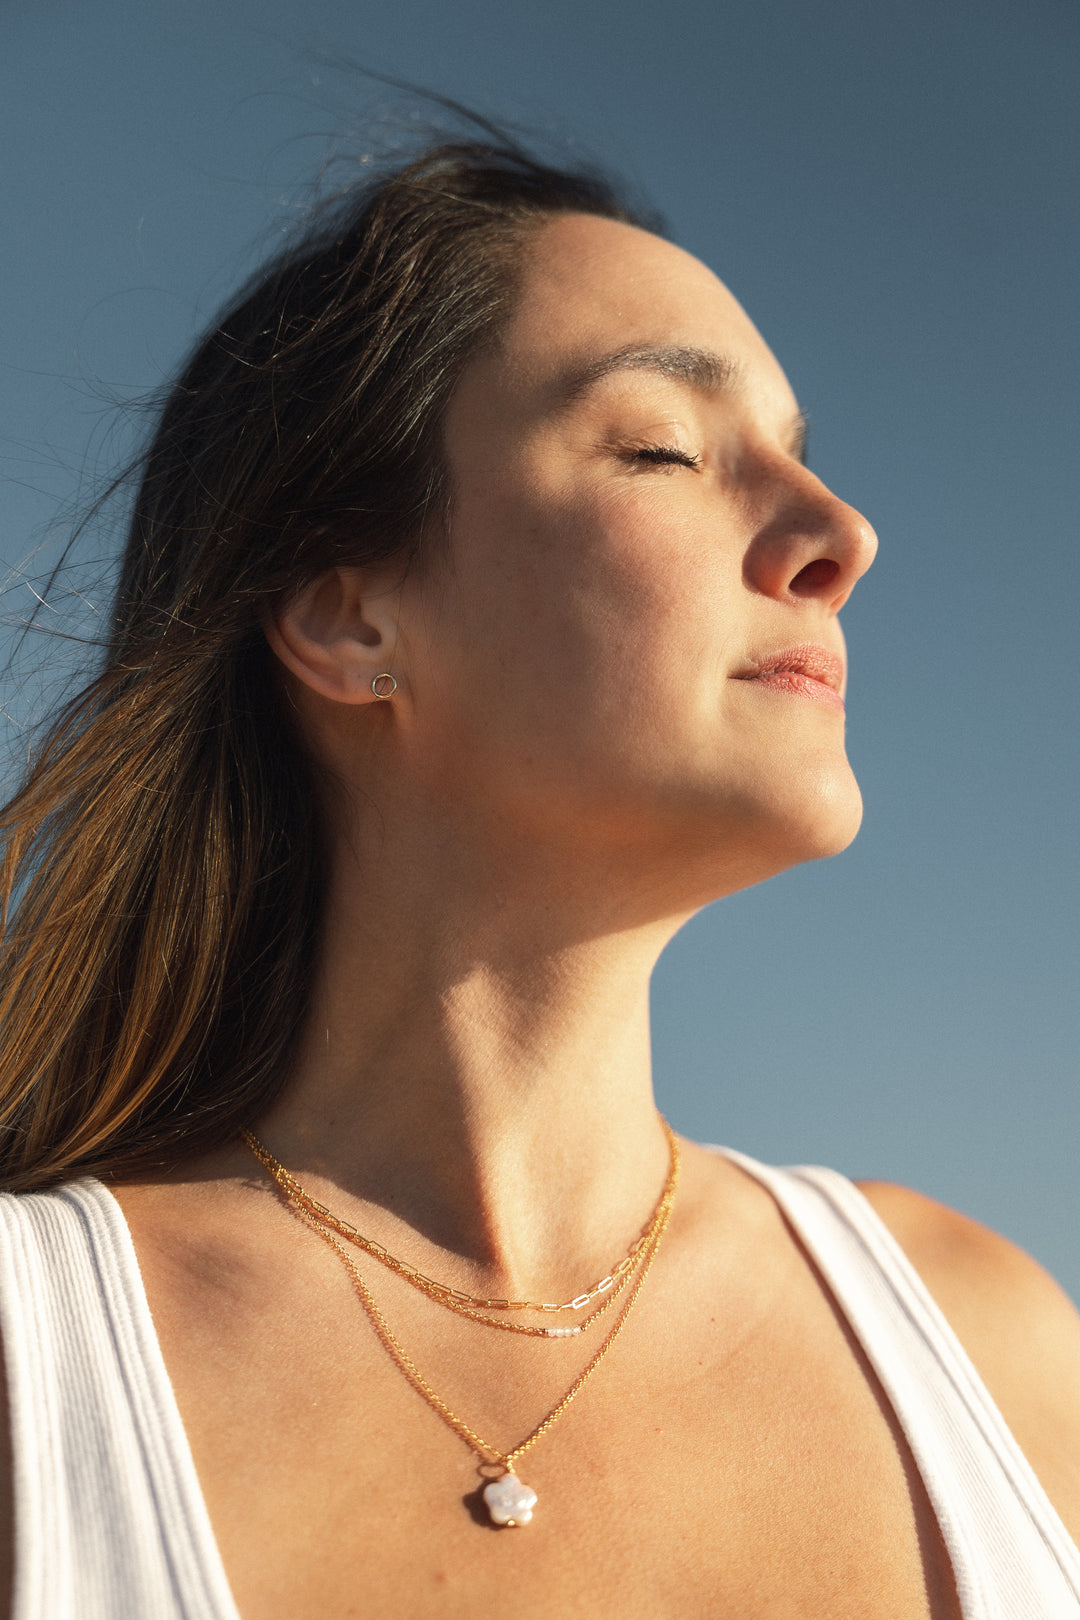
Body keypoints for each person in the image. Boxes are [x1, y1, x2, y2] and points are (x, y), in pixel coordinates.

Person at [0, 133, 1078, 1620]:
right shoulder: (31, 1370)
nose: (844, 536)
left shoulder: (990, 1349)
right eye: (663, 448)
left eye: (804, 454)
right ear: (349, 617)